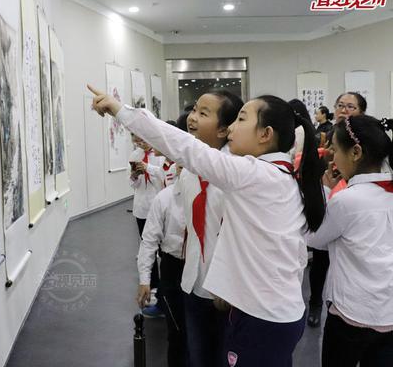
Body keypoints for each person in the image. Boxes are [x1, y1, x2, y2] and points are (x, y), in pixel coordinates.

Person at [88, 84, 325, 367]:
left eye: (242, 119)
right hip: (275, 311)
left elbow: (186, 148)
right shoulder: (284, 178)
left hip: (260, 316)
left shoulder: (253, 174)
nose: (233, 127)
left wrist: (118, 109)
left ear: (265, 135)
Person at [306, 116, 393, 367]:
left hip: (351, 314)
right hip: (387, 312)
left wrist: (325, 190)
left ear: (355, 152)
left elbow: (316, 239)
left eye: (334, 148)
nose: (332, 156)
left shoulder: (348, 200)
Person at [178, 91, 243, 367]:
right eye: (194, 109)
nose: (192, 117)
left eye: (203, 113)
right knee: (198, 357)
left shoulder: (238, 174)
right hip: (193, 282)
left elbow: (240, 237)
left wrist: (227, 282)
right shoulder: (187, 172)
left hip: (228, 293)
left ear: (223, 129)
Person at [308, 92, 367, 327]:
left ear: (361, 112)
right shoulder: (327, 134)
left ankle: (348, 305)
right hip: (327, 195)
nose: (344, 110)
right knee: (321, 257)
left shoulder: (367, 137)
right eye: (340, 105)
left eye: (350, 106)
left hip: (353, 202)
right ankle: (315, 303)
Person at [137, 164, 186, 367]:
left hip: (204, 269)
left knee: (203, 334)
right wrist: (144, 280)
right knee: (177, 333)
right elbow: (148, 241)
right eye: (183, 166)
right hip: (173, 268)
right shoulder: (165, 198)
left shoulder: (217, 196)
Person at [129, 134, 165, 317]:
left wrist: (148, 167)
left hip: (158, 207)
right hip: (141, 208)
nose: (139, 143)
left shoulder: (160, 153)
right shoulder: (135, 154)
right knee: (147, 248)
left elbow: (165, 174)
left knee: (163, 251)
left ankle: (165, 292)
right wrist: (134, 176)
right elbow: (132, 184)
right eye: (136, 140)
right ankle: (153, 287)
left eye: (141, 139)